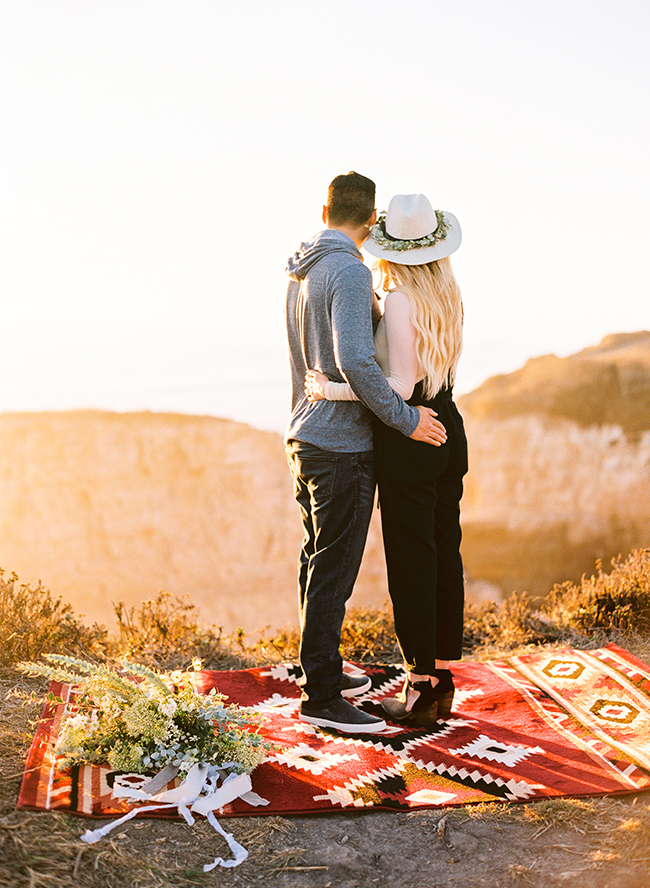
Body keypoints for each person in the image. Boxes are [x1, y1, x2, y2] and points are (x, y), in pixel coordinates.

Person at [285, 173, 447, 734]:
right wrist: (404, 420)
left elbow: (306, 361)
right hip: (342, 445)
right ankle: (323, 696)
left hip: (305, 435)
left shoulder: (301, 268)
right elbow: (354, 358)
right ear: (372, 219)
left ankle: (319, 668)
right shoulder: (350, 271)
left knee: (316, 558)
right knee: (335, 568)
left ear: (324, 207)